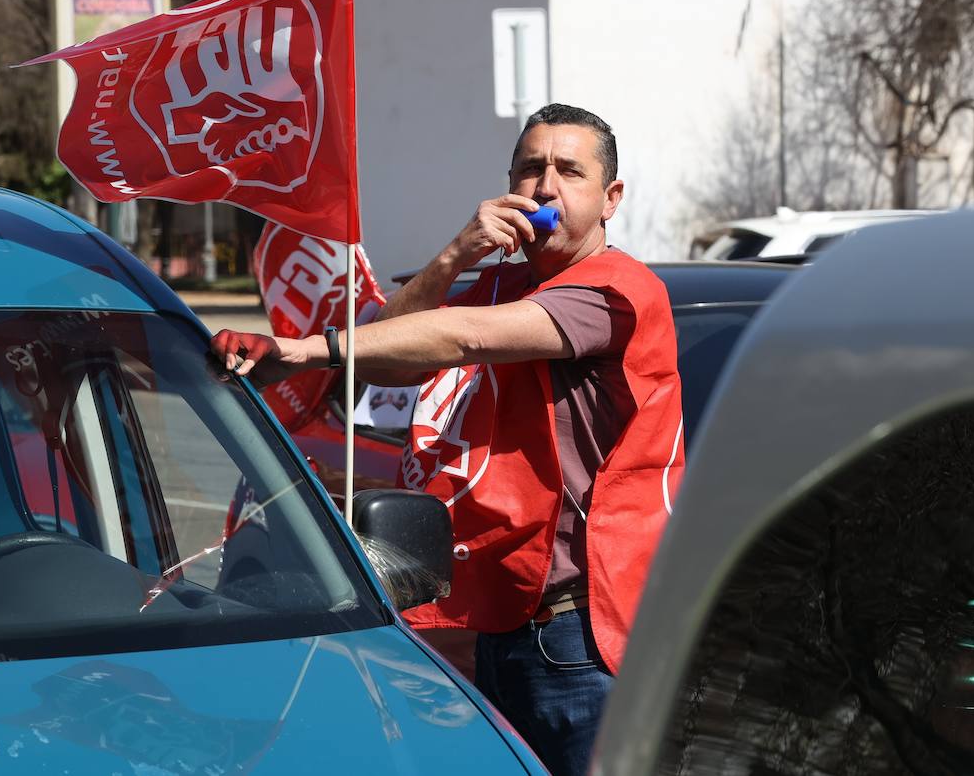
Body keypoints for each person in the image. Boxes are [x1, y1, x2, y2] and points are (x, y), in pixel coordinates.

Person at [210, 103, 684, 775]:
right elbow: (391, 355)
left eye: (569, 171)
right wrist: (458, 253)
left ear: (611, 199)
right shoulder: (501, 282)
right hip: (499, 624)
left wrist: (296, 350)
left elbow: (463, 336)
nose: (544, 187)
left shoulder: (616, 287)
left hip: (584, 640)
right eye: (529, 169)